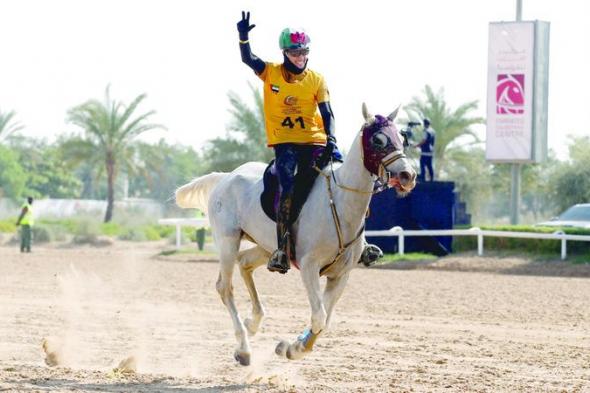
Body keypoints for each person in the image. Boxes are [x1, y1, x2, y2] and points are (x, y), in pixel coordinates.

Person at [237, 11, 382, 273]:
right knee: (288, 187)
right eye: (294, 53)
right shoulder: (271, 73)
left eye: (303, 52)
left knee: (348, 179)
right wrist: (243, 37)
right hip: (286, 145)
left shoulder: (317, 79)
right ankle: (281, 249)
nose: (300, 57)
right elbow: (248, 59)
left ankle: (364, 243)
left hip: (315, 141)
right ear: (284, 54)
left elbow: (327, 113)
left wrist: (331, 139)